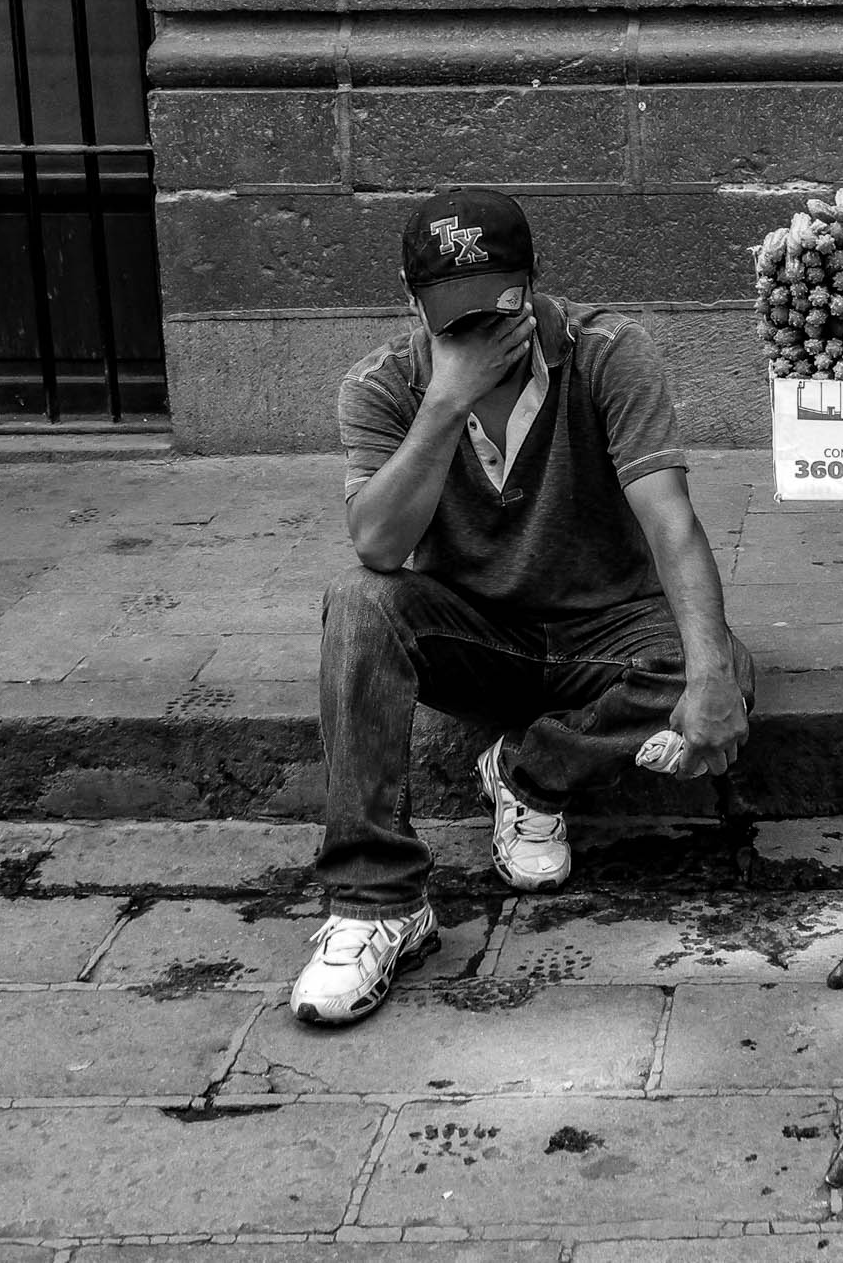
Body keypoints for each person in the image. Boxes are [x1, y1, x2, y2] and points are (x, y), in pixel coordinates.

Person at [291, 186, 753, 1026]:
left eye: (496, 306)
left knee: (718, 660)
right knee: (358, 602)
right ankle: (377, 904)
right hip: (474, 633)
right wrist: (445, 402)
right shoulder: (384, 384)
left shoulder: (610, 352)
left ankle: (531, 773)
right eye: (450, 316)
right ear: (411, 302)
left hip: (603, 629)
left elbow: (671, 520)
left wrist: (711, 673)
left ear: (534, 282)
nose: (475, 330)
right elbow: (380, 547)